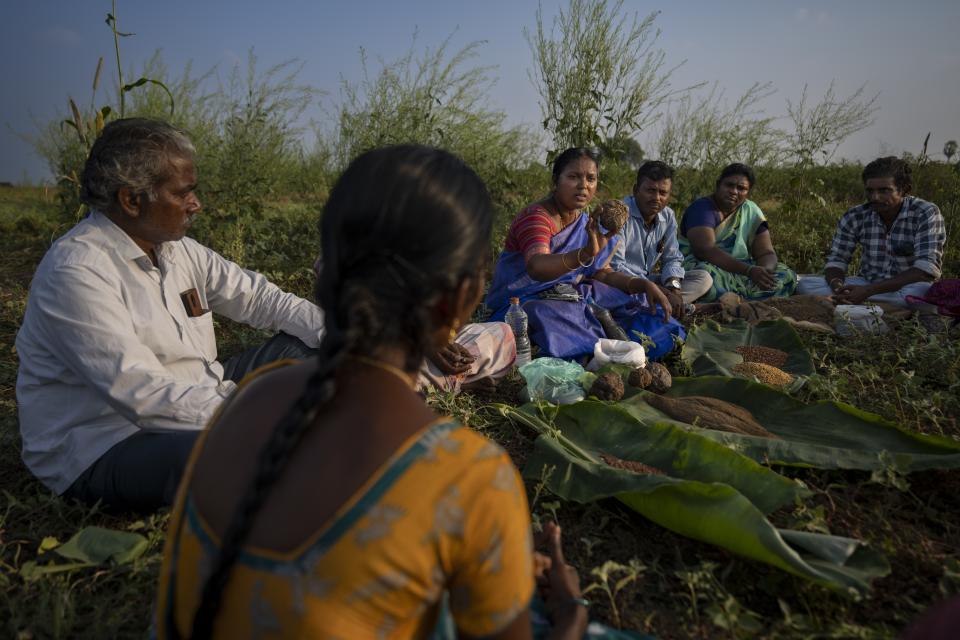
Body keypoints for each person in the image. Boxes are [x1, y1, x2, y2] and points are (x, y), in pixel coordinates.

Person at [155, 145, 590, 639]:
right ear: (461, 301)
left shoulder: (241, 402)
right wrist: (570, 609)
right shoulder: (472, 478)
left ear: (325, 278)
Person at [15, 118, 326, 513]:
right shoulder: (76, 270)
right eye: (183, 193)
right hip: (109, 441)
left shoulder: (175, 248)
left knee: (315, 345)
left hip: (201, 390)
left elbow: (261, 299)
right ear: (131, 200)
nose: (195, 204)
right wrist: (258, 411)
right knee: (241, 456)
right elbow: (143, 395)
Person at [485, 148, 683, 361]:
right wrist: (585, 253)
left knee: (639, 303)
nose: (584, 185)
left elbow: (602, 274)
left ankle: (619, 344)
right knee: (547, 314)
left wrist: (643, 285)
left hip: (570, 293)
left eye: (591, 178)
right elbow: (537, 266)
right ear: (555, 181)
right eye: (573, 177)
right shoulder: (537, 218)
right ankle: (605, 350)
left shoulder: (584, 221)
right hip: (524, 299)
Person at [796, 156, 946, 307]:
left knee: (921, 293)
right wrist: (839, 288)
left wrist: (868, 291)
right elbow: (837, 261)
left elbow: (925, 270)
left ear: (905, 190)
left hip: (906, 286)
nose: (875, 197)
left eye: (884, 191)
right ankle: (856, 301)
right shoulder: (855, 216)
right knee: (805, 284)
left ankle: (854, 303)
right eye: (870, 191)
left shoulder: (925, 212)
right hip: (867, 282)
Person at [678, 163, 797, 301]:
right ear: (718, 185)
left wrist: (764, 273)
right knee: (707, 277)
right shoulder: (702, 209)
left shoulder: (751, 211)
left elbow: (766, 252)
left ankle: (738, 298)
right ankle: (746, 298)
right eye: (729, 185)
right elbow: (704, 251)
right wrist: (749, 271)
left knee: (786, 274)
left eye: (741, 188)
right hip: (706, 266)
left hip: (742, 270)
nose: (734, 191)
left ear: (748, 192)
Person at [610, 161, 712, 305]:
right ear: (635, 190)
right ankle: (669, 306)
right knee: (614, 293)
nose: (657, 198)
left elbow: (672, 258)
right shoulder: (620, 215)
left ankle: (663, 304)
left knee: (703, 278)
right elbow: (615, 267)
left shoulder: (668, 216)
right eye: (650, 190)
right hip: (625, 283)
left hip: (649, 281)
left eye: (663, 193)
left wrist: (674, 287)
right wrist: (655, 289)